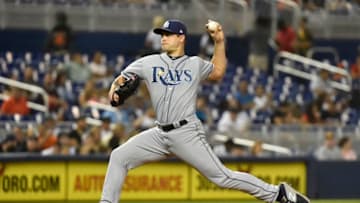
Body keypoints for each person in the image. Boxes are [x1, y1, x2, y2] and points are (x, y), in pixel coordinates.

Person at [100, 19, 309, 203]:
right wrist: (114, 92)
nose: (163, 38)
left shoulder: (194, 64)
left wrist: (219, 41)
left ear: (181, 38)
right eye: (161, 34)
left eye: (168, 34)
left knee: (222, 177)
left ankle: (277, 194)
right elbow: (121, 80)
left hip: (186, 132)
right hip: (159, 133)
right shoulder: (148, 62)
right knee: (119, 157)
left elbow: (217, 72)